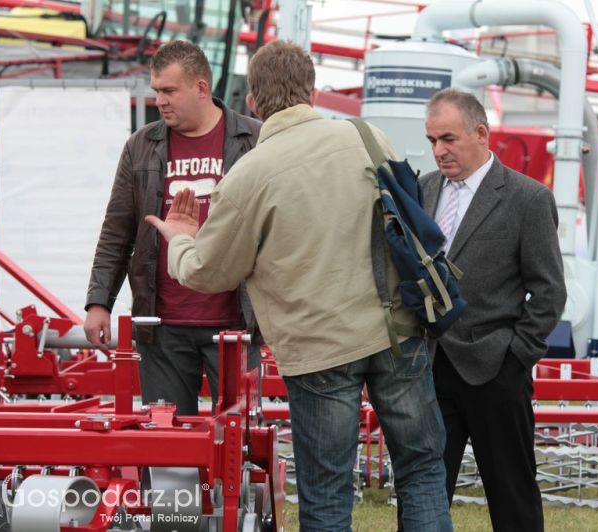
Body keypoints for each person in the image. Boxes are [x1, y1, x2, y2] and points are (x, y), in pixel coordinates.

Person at [147, 40, 453, 532]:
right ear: (312, 90)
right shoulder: (367, 136)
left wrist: (180, 239)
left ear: (253, 102)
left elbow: (209, 273)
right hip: (397, 331)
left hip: (318, 350)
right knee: (421, 471)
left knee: (327, 492)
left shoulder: (249, 175)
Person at [84, 40, 261, 414]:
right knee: (166, 450)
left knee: (240, 446)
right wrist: (99, 302)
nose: (160, 100)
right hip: (162, 326)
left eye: (169, 91)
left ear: (200, 88)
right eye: (156, 91)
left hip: (236, 324)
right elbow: (117, 230)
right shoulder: (141, 146)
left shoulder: (255, 140)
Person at [419, 88, 566, 532]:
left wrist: (515, 356)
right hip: (429, 367)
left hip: (496, 369)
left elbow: (549, 291)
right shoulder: (424, 188)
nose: (439, 151)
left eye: (448, 138)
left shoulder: (528, 199)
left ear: (481, 134)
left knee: (512, 495)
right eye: (432, 141)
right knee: (423, 491)